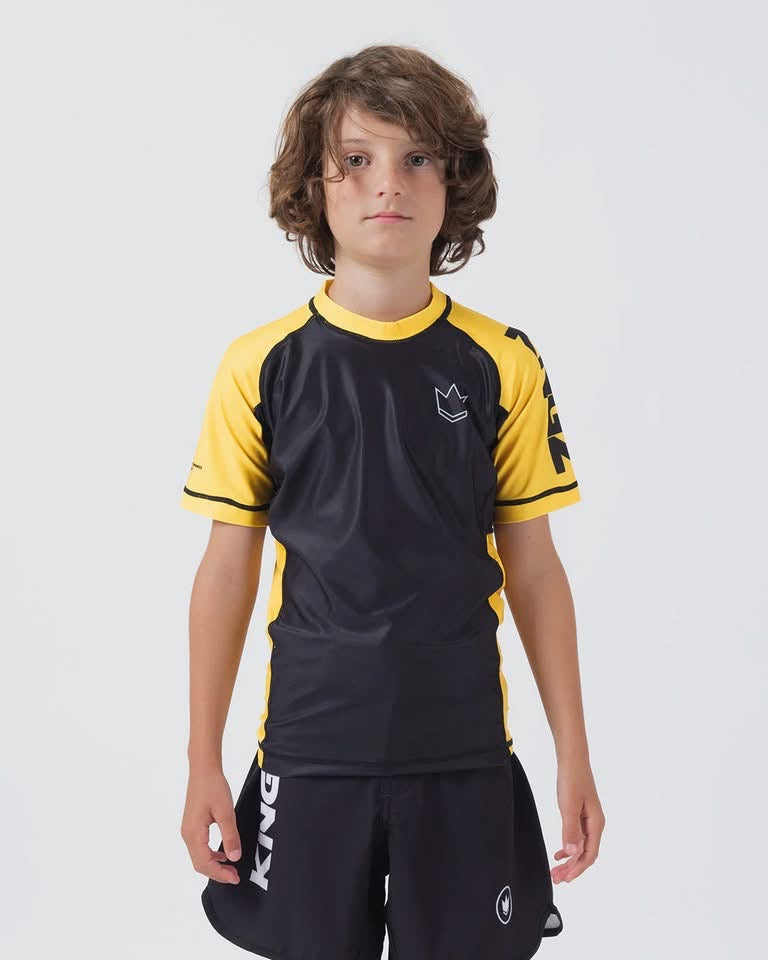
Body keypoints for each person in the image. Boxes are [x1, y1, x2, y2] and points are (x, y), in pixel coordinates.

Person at [179, 43, 605, 960]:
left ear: (455, 183)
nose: (389, 184)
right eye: (357, 158)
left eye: (417, 158)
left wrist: (574, 751)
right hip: (310, 750)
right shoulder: (260, 366)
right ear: (314, 185)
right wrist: (201, 757)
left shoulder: (502, 362)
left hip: (461, 753)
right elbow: (225, 572)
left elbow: (536, 570)